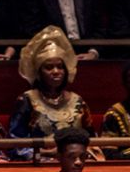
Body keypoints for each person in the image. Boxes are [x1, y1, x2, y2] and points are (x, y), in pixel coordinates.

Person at [8, 26, 91, 156]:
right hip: (40, 162)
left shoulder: (77, 101)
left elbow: (91, 139)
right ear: (39, 72)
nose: (56, 71)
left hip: (74, 161)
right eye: (49, 67)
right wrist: (45, 153)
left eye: (60, 67)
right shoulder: (27, 100)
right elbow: (15, 143)